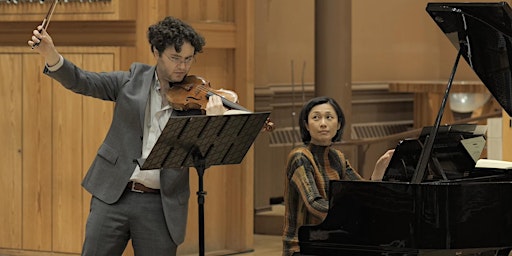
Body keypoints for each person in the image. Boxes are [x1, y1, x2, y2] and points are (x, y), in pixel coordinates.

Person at [28, 16, 228, 256]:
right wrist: (50, 54)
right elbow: (83, 81)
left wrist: (213, 126)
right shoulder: (130, 81)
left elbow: (203, 160)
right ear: (156, 51)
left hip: (160, 205)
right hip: (113, 195)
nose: (182, 67)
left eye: (188, 59)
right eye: (175, 58)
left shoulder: (198, 101)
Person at [282, 96, 394, 256]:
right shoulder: (300, 157)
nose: (323, 123)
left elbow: (360, 190)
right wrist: (348, 213)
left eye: (329, 117)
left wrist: (378, 171)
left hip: (330, 239)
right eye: (316, 117)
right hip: (301, 245)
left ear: (339, 124)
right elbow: (314, 204)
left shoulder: (337, 157)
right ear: (306, 125)